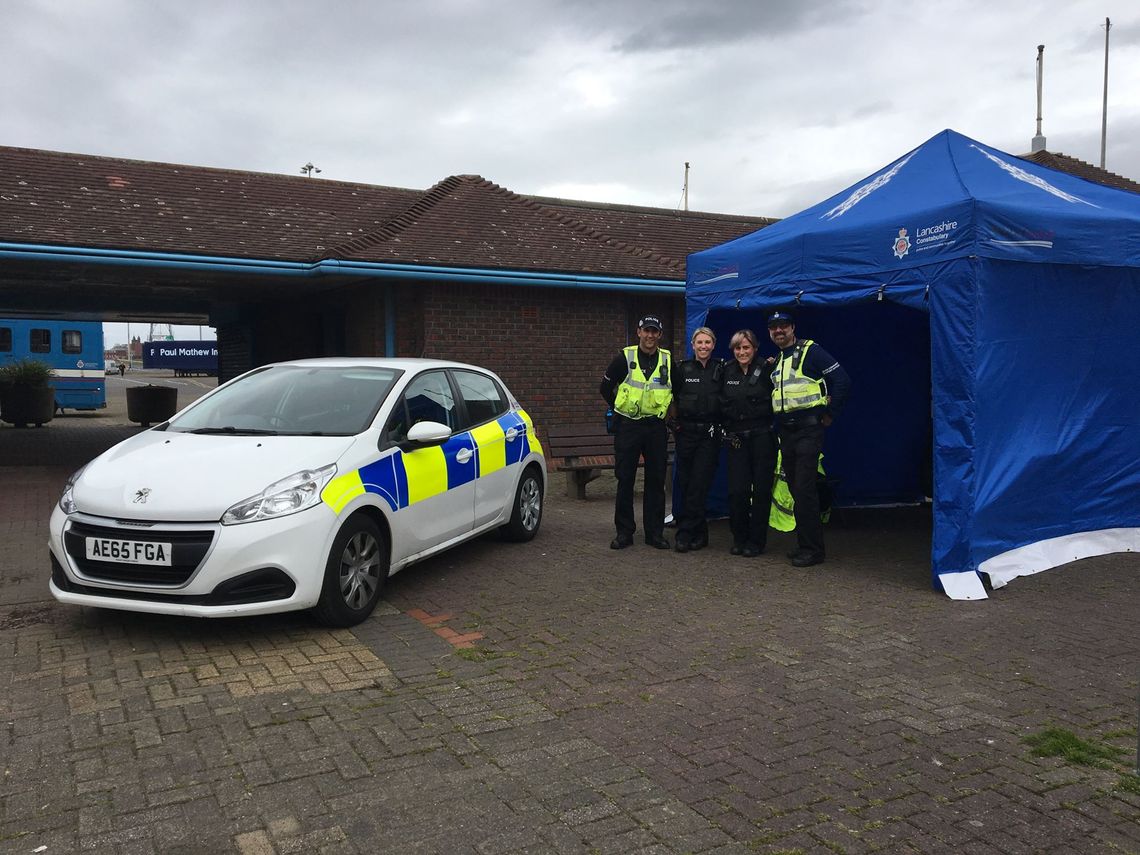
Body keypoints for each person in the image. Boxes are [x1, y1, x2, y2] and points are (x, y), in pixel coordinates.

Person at [767, 309, 850, 567]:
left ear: (793, 328)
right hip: (786, 431)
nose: (779, 331)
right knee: (796, 488)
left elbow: (842, 380)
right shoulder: (780, 359)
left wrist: (831, 414)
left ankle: (813, 550)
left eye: (783, 326)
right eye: (774, 328)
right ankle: (805, 544)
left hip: (807, 430)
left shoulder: (810, 351)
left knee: (804, 488)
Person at [600, 315, 674, 550]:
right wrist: (619, 408)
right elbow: (604, 387)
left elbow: (677, 391)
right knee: (625, 479)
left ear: (659, 335)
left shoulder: (668, 360)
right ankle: (624, 532)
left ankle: (654, 533)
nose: (650, 335)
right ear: (639, 332)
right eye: (646, 331)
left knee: (655, 480)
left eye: (655, 331)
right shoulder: (625, 357)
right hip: (629, 426)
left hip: (655, 428)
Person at [720, 329, 778, 557]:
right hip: (736, 439)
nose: (742, 352)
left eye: (746, 347)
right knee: (738, 491)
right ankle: (739, 538)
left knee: (761, 491)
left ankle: (756, 541)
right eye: (737, 348)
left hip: (762, 436)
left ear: (754, 348)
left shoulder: (767, 369)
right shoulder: (725, 371)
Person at [672, 327, 723, 553]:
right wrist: (673, 424)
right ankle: (698, 533)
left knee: (699, 484)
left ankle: (686, 533)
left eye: (707, 342)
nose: (703, 347)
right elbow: (669, 396)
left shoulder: (722, 369)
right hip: (686, 433)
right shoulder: (681, 369)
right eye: (699, 342)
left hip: (709, 435)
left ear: (713, 345)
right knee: (685, 483)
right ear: (692, 345)